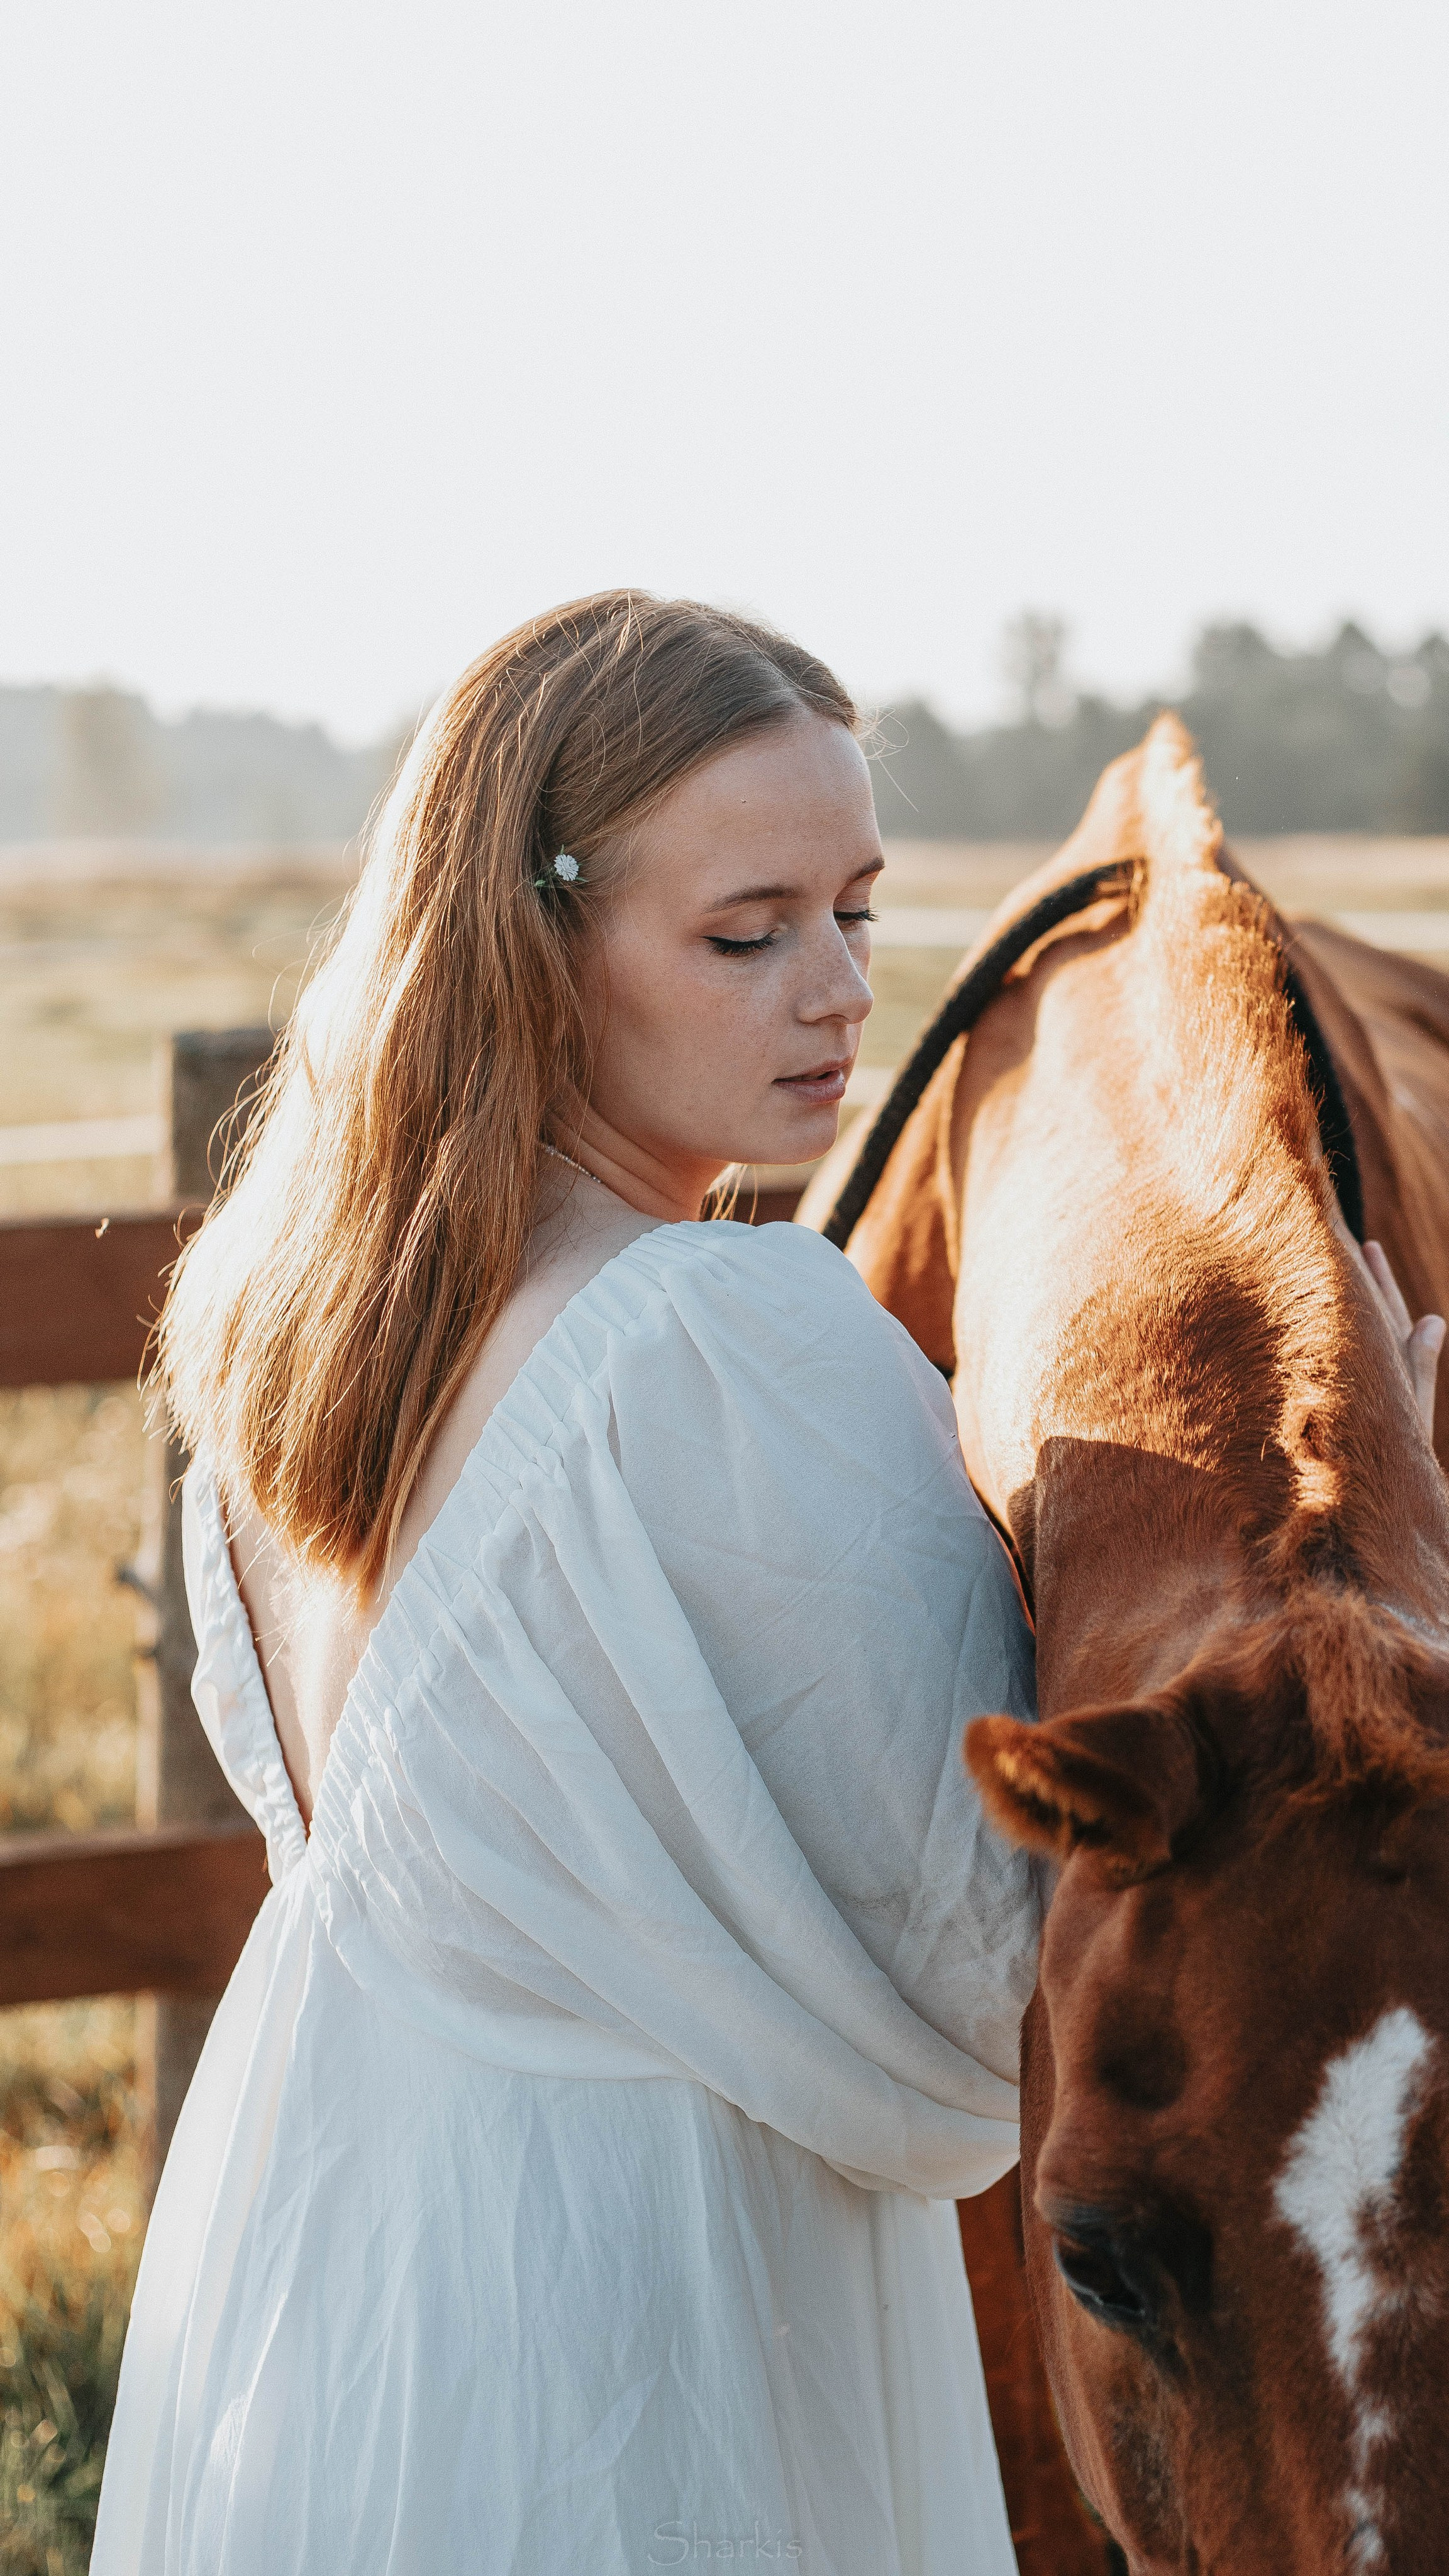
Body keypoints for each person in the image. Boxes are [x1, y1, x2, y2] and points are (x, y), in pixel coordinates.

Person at [91, 593, 1048, 2573]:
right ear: (540, 951)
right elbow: (998, 1952)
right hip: (644, 2307)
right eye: (745, 930)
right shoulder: (714, 1331)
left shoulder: (314, 1332)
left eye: (857, 910)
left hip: (325, 2248)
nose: (840, 990)